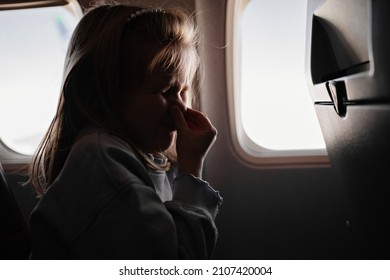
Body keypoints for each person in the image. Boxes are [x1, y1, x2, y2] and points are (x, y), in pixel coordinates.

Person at [27, 2, 222, 260]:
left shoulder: (133, 154)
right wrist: (191, 169)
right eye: (164, 91)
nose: (179, 107)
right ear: (106, 94)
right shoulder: (102, 161)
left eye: (182, 90)